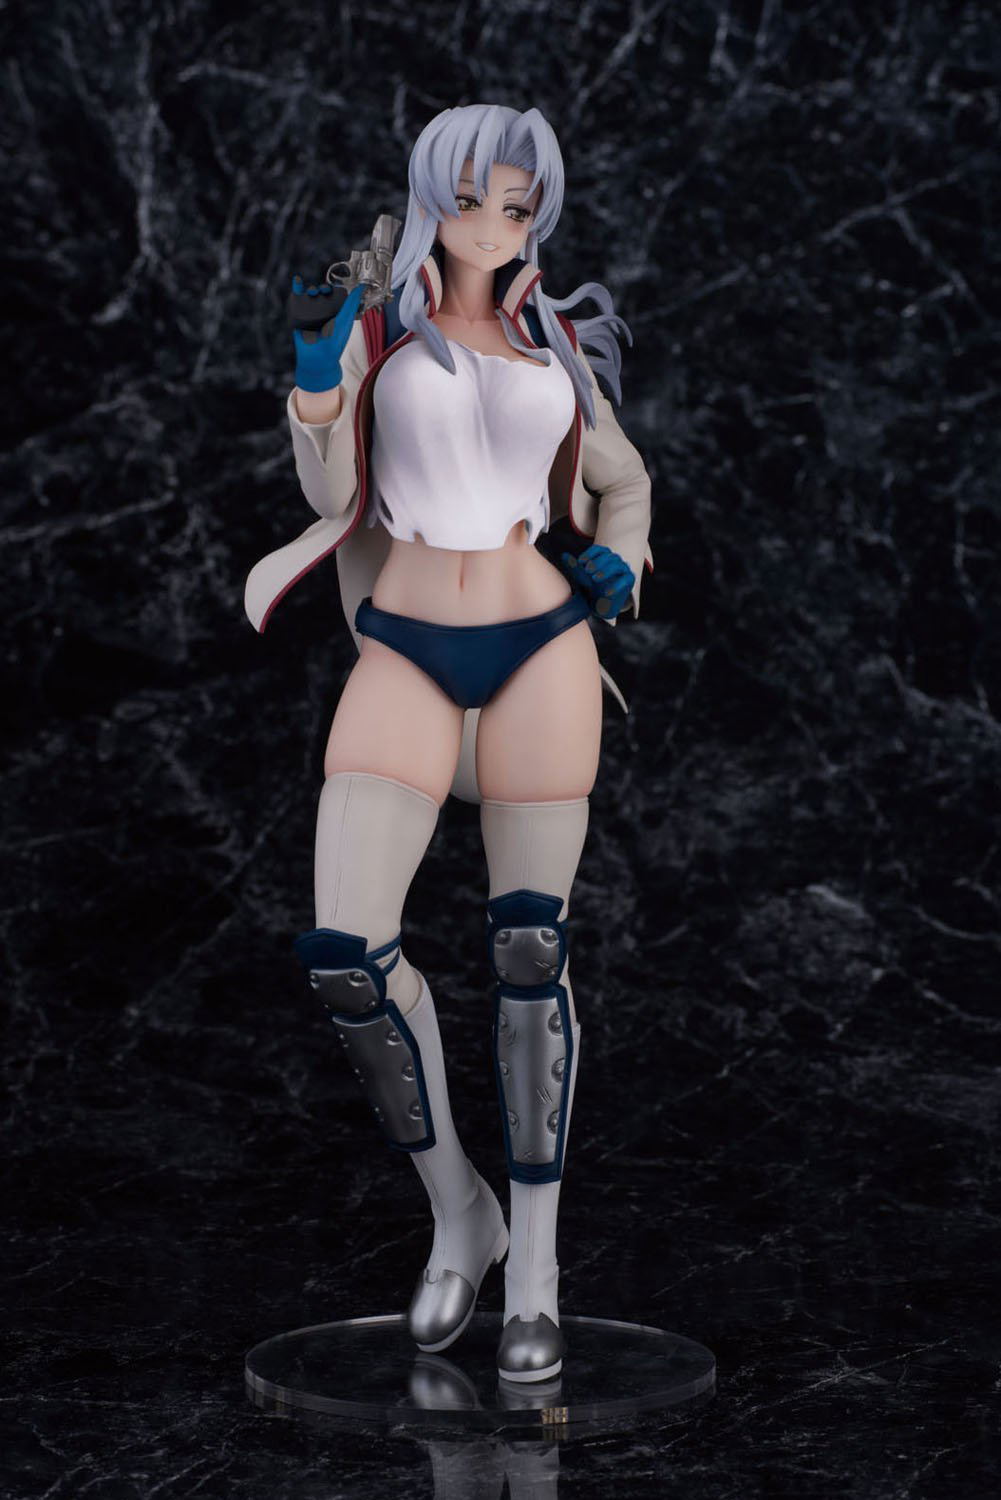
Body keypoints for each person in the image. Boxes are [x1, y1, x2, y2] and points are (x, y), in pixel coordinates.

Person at [245, 102, 653, 1383]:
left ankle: (535, 1267)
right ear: (430, 197)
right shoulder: (381, 333)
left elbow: (623, 478)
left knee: (530, 949)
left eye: (517, 204)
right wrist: (319, 379)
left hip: (542, 644)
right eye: (471, 197)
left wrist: (620, 560)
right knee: (345, 954)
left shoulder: (549, 344)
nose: (492, 223)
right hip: (406, 643)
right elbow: (330, 492)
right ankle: (459, 1212)